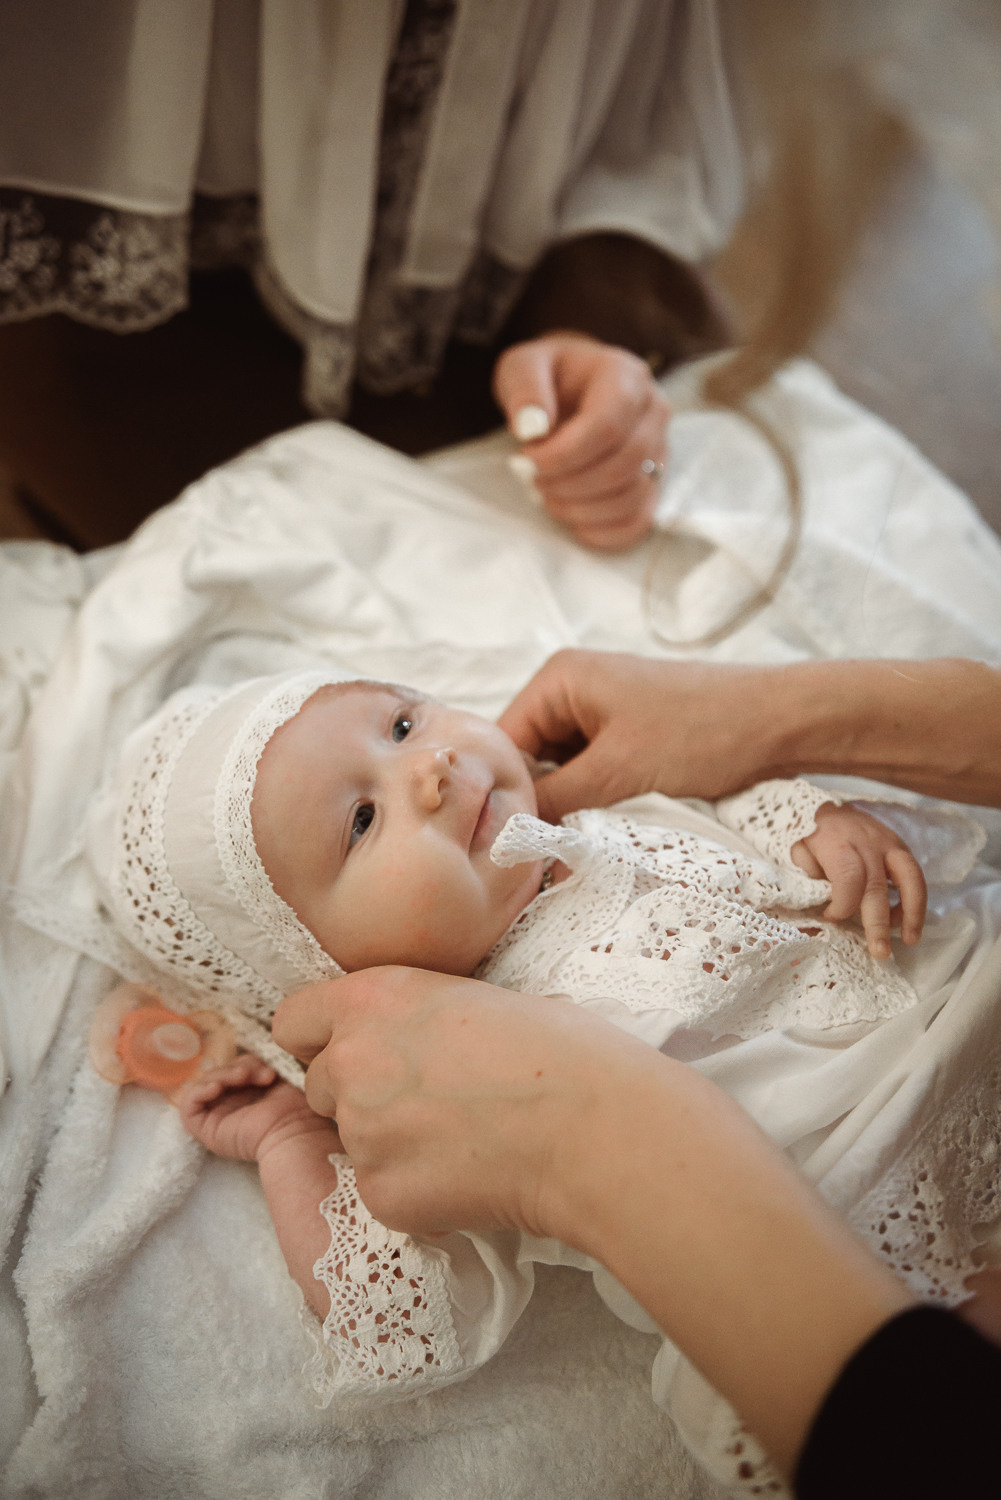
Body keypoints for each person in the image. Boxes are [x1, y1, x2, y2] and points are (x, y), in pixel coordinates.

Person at [84, 659, 990, 1489]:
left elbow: (748, 804)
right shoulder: (435, 1074)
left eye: (400, 724)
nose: (429, 771)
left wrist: (820, 825)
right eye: (361, 820)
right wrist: (292, 1138)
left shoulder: (615, 804)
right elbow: (400, 1314)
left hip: (966, 999)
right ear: (326, 978)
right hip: (844, 1224)